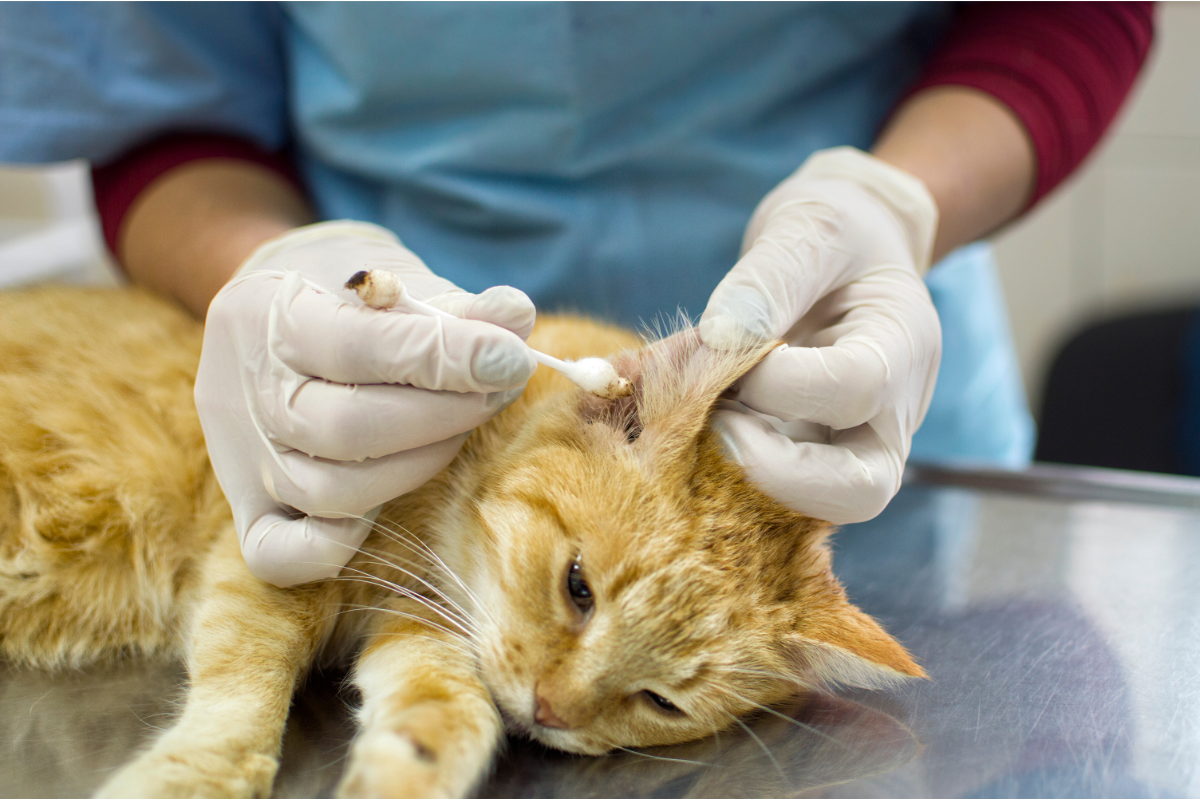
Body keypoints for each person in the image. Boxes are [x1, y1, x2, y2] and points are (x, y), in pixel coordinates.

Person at [0, 3, 1153, 587]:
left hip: (853, 400)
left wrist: (894, 205)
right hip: (387, 423)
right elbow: (150, 79)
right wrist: (273, 264)